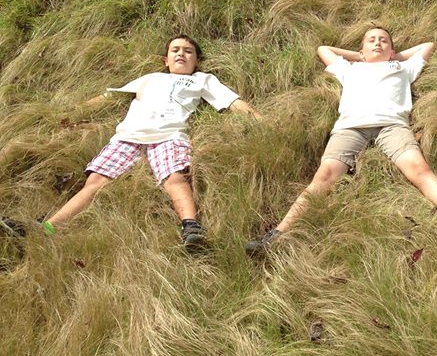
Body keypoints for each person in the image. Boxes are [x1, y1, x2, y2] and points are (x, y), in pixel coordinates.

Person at [245, 26, 437, 254]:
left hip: (392, 126)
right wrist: (360, 56)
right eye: (371, 40)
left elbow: (428, 45)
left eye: (384, 40)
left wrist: (393, 57)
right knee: (323, 176)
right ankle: (276, 235)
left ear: (393, 50)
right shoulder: (349, 69)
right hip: (350, 127)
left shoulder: (404, 68)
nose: (378, 42)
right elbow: (323, 49)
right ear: (361, 49)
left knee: (420, 170)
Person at [2, 35, 261, 250]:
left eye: (188, 51)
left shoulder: (202, 80)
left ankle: (191, 227)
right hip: (128, 136)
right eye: (175, 50)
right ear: (165, 60)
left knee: (174, 178)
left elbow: (230, 101)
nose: (181, 54)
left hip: (169, 134)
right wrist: (72, 112)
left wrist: (258, 118)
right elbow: (110, 96)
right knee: (95, 182)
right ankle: (48, 228)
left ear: (197, 60)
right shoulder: (150, 78)